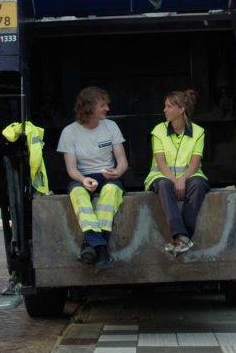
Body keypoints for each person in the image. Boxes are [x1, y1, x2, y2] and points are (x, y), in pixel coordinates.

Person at [56, 87, 128, 271]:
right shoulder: (69, 132)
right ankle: (102, 249)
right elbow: (71, 169)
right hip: (82, 177)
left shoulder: (111, 127)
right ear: (89, 107)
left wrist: (117, 172)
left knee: (111, 191)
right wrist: (83, 180)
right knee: (78, 193)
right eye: (103, 105)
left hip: (108, 176)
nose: (107, 109)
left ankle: (92, 245)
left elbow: (122, 161)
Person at [144, 90, 209, 255]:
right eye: (165, 106)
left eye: (169, 106)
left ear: (181, 110)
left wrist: (182, 179)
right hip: (162, 176)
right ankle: (180, 235)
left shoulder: (198, 132)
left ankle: (182, 238)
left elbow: (195, 163)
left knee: (199, 184)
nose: (164, 110)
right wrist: (176, 181)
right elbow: (160, 163)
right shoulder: (158, 130)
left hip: (189, 176)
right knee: (164, 185)